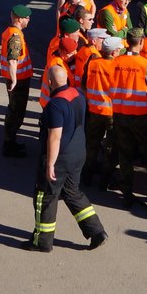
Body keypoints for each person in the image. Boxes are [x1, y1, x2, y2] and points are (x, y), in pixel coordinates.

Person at [25, 66, 109, 252]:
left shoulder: (55, 104)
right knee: (72, 192)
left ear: (49, 82)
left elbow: (55, 136)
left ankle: (42, 242)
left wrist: (50, 163)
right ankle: (96, 231)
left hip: (61, 156)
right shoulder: (77, 94)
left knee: (45, 196)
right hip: (78, 153)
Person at [110, 29, 147, 207]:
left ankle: (127, 192)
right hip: (141, 116)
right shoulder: (146, 64)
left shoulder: (115, 61)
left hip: (120, 114)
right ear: (141, 43)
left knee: (125, 153)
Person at [82, 36, 120, 188]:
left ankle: (87, 176)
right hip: (110, 112)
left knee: (92, 144)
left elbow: (84, 84)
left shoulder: (92, 63)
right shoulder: (116, 66)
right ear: (115, 51)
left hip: (94, 109)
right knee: (110, 148)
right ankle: (105, 181)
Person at [0, 5, 35, 158]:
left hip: (17, 79)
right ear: (20, 19)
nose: (29, 20)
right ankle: (9, 144)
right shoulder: (15, 36)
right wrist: (14, 80)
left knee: (14, 110)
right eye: (27, 18)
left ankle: (11, 141)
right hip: (18, 81)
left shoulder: (10, 32)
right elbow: (13, 59)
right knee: (16, 112)